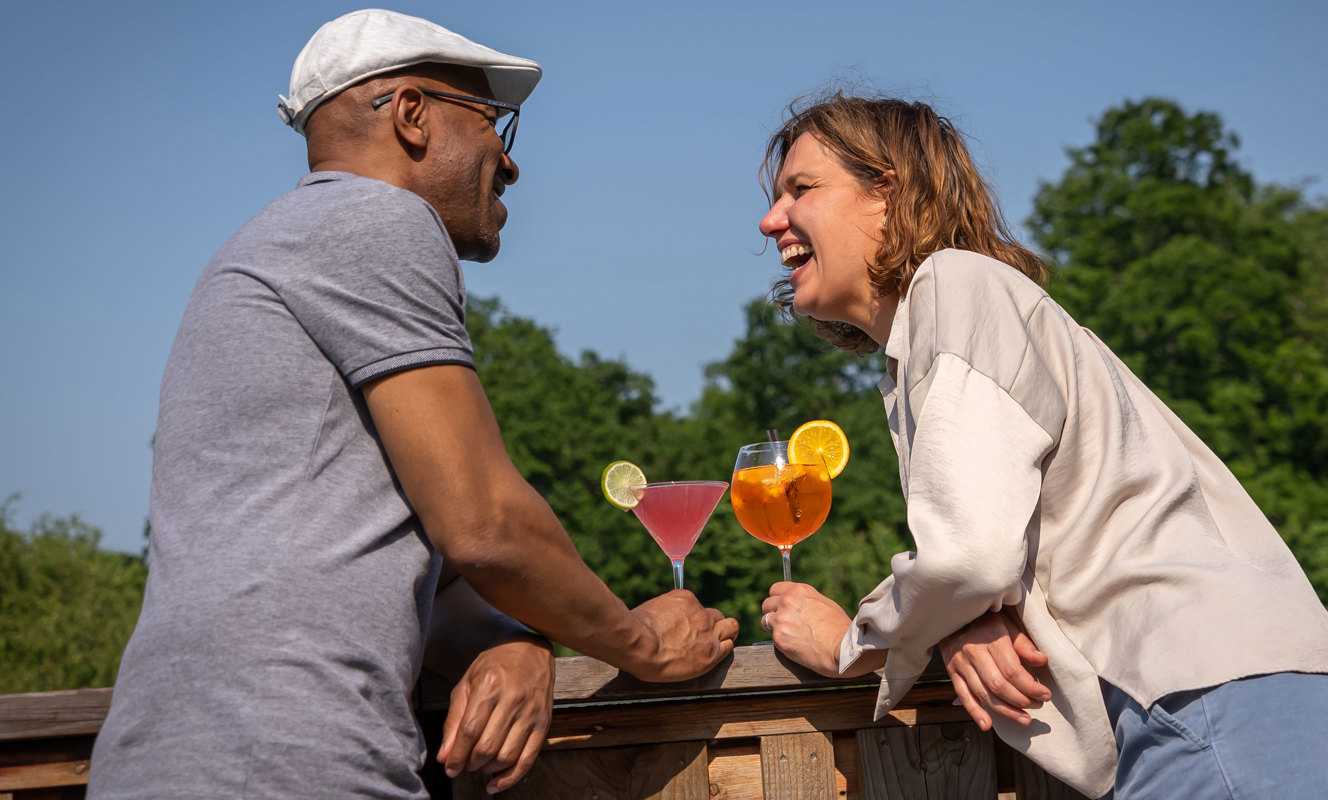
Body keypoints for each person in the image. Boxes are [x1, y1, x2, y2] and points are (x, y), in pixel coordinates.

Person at [87, 10, 737, 799]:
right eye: (494, 122)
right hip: (287, 762)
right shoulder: (375, 218)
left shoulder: (281, 241)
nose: (510, 161)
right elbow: (486, 525)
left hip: (185, 757)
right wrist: (643, 645)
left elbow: (420, 593)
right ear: (412, 116)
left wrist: (522, 644)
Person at [752, 92, 1328, 799]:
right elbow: (989, 553)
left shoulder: (951, 284)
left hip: (1201, 700)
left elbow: (971, 553)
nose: (770, 219)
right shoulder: (932, 340)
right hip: (1204, 699)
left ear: (888, 192)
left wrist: (853, 644)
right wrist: (951, 619)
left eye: (801, 189)